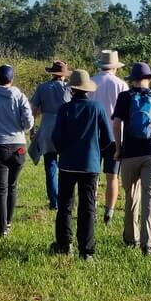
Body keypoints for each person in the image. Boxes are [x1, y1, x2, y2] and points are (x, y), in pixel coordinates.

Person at [111, 61, 151, 254]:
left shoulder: (124, 97)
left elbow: (116, 125)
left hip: (130, 154)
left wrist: (118, 148)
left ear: (132, 79)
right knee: (150, 199)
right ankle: (148, 244)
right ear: (149, 79)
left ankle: (131, 239)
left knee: (131, 197)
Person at [49, 69, 105, 260]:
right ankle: (86, 251)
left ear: (72, 89)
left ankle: (64, 245)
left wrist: (63, 150)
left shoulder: (64, 109)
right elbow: (108, 138)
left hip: (67, 164)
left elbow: (55, 137)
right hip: (90, 164)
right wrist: (98, 154)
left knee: (65, 205)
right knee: (87, 206)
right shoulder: (97, 108)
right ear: (87, 89)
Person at [0, 65, 33, 237]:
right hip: (18, 146)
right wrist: (20, 127)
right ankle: (9, 222)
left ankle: (2, 228)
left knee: (0, 190)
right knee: (12, 186)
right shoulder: (20, 96)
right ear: (11, 79)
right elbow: (29, 123)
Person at [92, 51, 129, 222]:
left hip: (94, 135)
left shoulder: (91, 82)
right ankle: (109, 212)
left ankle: (91, 207)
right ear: (115, 67)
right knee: (112, 176)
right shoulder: (121, 85)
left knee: (93, 175)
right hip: (115, 136)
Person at [30, 61, 69, 210]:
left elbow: (33, 110)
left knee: (50, 166)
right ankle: (65, 199)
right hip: (65, 128)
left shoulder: (42, 87)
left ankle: (54, 202)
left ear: (52, 73)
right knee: (65, 167)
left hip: (47, 128)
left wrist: (32, 130)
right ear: (64, 75)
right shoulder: (69, 88)